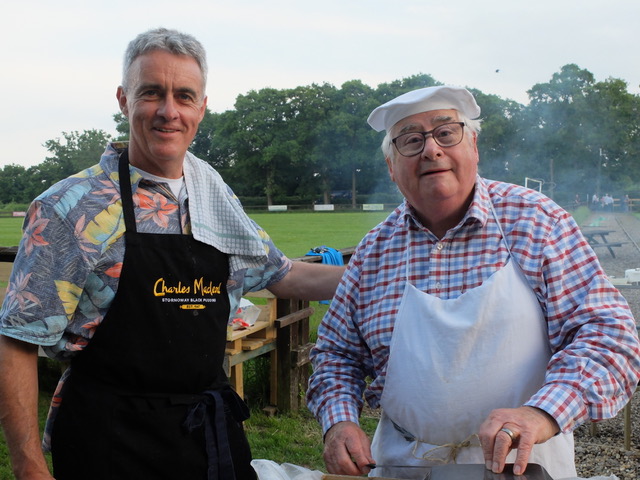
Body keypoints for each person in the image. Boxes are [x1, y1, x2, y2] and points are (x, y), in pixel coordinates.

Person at [0, 28, 345, 480]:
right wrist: (29, 468)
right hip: (108, 438)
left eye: (184, 96)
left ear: (201, 107)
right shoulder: (70, 207)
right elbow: (17, 341)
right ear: (124, 100)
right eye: (151, 93)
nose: (169, 111)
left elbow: (281, 275)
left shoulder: (212, 190)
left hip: (207, 435)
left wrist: (385, 271)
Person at [306, 85, 640, 479]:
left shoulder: (536, 222)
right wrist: (339, 422)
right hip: (403, 465)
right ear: (391, 168)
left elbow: (609, 334)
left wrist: (543, 411)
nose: (431, 149)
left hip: (523, 465)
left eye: (446, 133)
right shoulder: (374, 252)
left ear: (474, 146)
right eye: (411, 141)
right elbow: (336, 355)